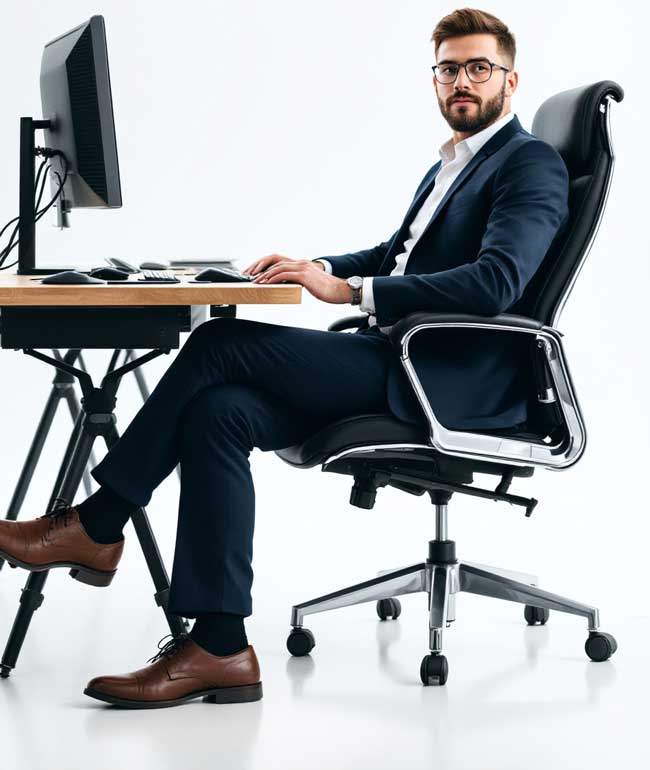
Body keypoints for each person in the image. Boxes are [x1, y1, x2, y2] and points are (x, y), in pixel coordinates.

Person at [0, 7, 569, 709]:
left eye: (478, 67)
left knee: (221, 342)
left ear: (511, 81)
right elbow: (400, 253)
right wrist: (317, 264)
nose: (462, 81)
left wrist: (351, 289)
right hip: (396, 359)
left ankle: (98, 523)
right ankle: (219, 646)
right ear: (435, 78)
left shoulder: (530, 165)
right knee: (219, 411)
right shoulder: (454, 164)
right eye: (449, 67)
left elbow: (496, 283)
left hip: (440, 383)